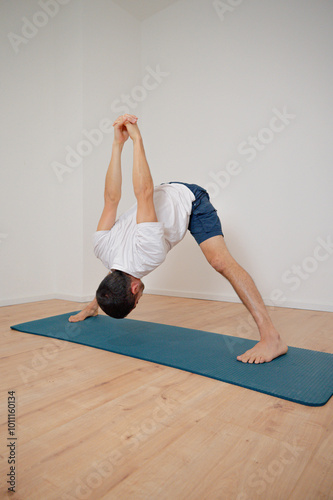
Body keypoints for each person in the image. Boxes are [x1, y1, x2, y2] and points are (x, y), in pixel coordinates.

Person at [69, 114, 288, 364]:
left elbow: (144, 194)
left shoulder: (147, 254)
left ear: (134, 289)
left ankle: (272, 337)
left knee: (220, 261)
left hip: (190, 200)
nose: (140, 299)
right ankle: (92, 306)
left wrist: (137, 139)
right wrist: (117, 144)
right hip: (164, 196)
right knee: (123, 264)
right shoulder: (102, 248)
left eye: (136, 301)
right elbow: (111, 199)